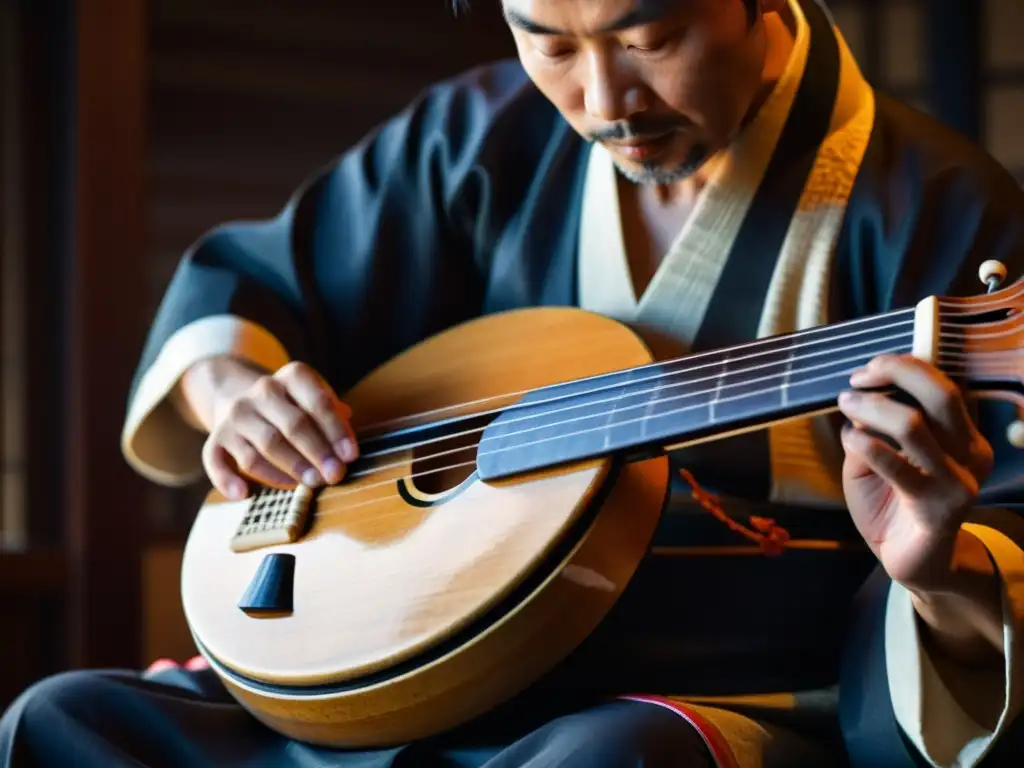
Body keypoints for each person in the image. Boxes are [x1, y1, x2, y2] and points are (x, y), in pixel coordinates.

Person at [3, 0, 1024, 765]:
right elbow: (258, 290)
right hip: (419, 656)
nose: (604, 101)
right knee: (62, 722)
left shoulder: (934, 211)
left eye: (647, 37)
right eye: (549, 41)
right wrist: (235, 394)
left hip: (699, 690)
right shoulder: (477, 139)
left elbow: (1000, 555)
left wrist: (936, 567)